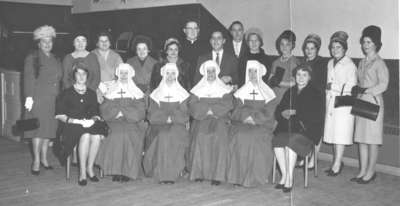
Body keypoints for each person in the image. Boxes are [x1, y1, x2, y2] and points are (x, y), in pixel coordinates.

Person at [272, 64, 324, 192]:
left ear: (309, 77)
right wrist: (282, 113)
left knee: (291, 142)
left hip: (306, 130)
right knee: (277, 140)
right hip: (289, 127)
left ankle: (290, 179)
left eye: (304, 75)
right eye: (298, 74)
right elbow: (279, 109)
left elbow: (316, 115)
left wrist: (296, 113)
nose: (301, 78)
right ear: (294, 76)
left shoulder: (316, 92)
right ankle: (285, 175)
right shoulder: (290, 91)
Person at [55, 64, 107, 186]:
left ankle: (90, 168)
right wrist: (77, 121)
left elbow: (95, 112)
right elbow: (60, 115)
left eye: (84, 74)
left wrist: (93, 120)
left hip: (88, 123)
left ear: (87, 76)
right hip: (70, 125)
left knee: (96, 136)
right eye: (78, 73)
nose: (81, 76)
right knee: (86, 135)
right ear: (74, 76)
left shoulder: (91, 93)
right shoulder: (66, 93)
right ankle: (82, 173)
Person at [227, 60, 275, 187]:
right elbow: (236, 109)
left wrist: (254, 119)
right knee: (239, 136)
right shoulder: (241, 92)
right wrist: (246, 117)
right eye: (250, 71)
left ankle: (257, 176)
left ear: (260, 73)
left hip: (261, 124)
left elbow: (269, 112)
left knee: (255, 138)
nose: (252, 74)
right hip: (242, 123)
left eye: (255, 71)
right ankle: (238, 176)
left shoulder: (268, 92)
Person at [96, 63, 147, 182]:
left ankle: (128, 172)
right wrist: (118, 114)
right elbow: (104, 109)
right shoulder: (111, 90)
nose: (124, 75)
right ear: (118, 74)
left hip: (132, 123)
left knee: (130, 135)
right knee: (115, 135)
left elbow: (140, 111)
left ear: (130, 75)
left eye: (126, 73)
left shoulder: (136, 91)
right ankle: (116, 171)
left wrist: (123, 112)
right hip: (113, 121)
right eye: (121, 73)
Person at [350, 25, 389, 184]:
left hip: (374, 102)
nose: (365, 45)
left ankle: (370, 172)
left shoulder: (380, 63)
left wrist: (368, 90)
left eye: (369, 42)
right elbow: (359, 80)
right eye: (364, 42)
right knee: (361, 138)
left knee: (372, 139)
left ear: (376, 44)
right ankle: (362, 171)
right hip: (361, 102)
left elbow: (384, 84)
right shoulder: (361, 62)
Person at [23, 25, 62, 175]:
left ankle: (45, 159)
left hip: (53, 101)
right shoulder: (32, 58)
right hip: (38, 100)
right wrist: (29, 99)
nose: (47, 44)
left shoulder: (55, 58)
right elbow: (28, 80)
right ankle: (36, 161)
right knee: (37, 131)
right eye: (44, 42)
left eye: (50, 41)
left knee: (48, 131)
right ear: (38, 43)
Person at [143, 63, 190, 184]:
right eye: (167, 73)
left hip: (177, 125)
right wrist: (165, 118)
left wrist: (172, 118)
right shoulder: (155, 94)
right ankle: (161, 172)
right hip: (158, 125)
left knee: (169, 136)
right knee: (163, 135)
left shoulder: (183, 94)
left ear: (176, 75)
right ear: (163, 74)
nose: (170, 76)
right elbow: (151, 114)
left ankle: (169, 174)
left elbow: (185, 113)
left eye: (173, 73)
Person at [189, 60, 233, 186]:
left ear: (217, 72)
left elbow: (228, 103)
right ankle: (199, 173)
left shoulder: (224, 89)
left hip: (219, 118)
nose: (211, 74)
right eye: (208, 71)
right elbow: (193, 104)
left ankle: (217, 175)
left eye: (213, 71)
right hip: (201, 118)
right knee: (200, 136)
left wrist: (213, 111)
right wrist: (206, 111)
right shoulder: (197, 89)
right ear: (205, 73)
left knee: (219, 136)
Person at [323, 31, 357, 176]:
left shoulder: (350, 65)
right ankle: (336, 161)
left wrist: (333, 87)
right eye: (333, 47)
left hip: (344, 104)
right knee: (334, 133)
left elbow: (352, 87)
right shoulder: (330, 62)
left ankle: (337, 163)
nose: (335, 50)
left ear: (344, 49)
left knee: (340, 133)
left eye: (338, 47)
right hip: (331, 101)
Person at [297, 33, 328, 169]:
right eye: (307, 48)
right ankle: (305, 156)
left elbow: (321, 84)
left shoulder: (322, 63)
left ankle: (313, 159)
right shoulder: (303, 62)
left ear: (317, 49)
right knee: (306, 129)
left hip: (317, 101)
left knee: (316, 130)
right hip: (305, 100)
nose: (309, 51)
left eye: (312, 48)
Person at [268, 30, 300, 109]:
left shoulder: (294, 62)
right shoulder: (275, 62)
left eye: (287, 44)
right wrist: (271, 81)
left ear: (292, 46)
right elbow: (270, 79)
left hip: (286, 99)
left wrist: (279, 83)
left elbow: (294, 83)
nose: (284, 47)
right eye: (282, 44)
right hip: (273, 97)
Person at [92, 32, 123, 103]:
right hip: (96, 87)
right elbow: (89, 75)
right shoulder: (91, 55)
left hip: (114, 86)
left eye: (106, 41)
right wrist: (97, 90)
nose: (104, 43)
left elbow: (122, 74)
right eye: (101, 41)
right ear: (97, 43)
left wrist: (114, 86)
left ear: (110, 43)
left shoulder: (116, 56)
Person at [180, 20, 208, 84]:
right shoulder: (178, 47)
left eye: (195, 28)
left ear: (198, 31)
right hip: (183, 82)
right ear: (184, 30)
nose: (193, 31)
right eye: (190, 28)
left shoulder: (206, 47)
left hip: (201, 82)